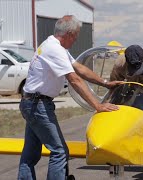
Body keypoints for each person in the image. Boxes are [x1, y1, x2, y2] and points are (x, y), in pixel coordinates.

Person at [18, 15, 122, 180]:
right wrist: (98, 105)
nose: (75, 40)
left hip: (31, 103)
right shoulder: (55, 49)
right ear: (69, 33)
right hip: (38, 105)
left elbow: (79, 68)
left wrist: (105, 83)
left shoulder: (52, 45)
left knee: (30, 154)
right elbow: (74, 79)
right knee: (59, 152)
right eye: (76, 36)